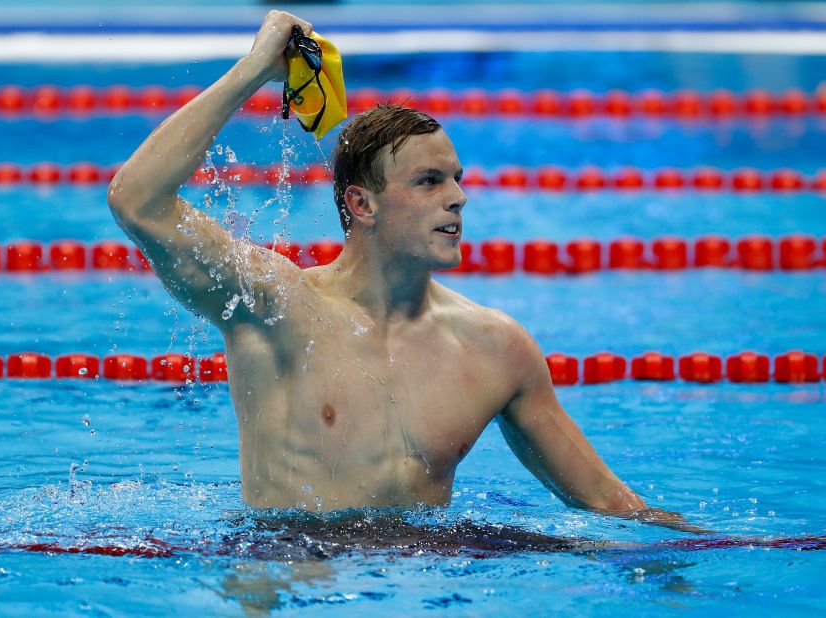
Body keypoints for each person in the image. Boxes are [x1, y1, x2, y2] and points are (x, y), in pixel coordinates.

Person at [108, 10, 699, 531]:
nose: (458, 198)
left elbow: (606, 501)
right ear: (362, 204)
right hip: (290, 572)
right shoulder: (276, 305)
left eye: (457, 178)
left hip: (426, 581)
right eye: (429, 181)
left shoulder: (495, 348)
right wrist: (254, 70)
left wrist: (707, 552)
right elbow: (137, 199)